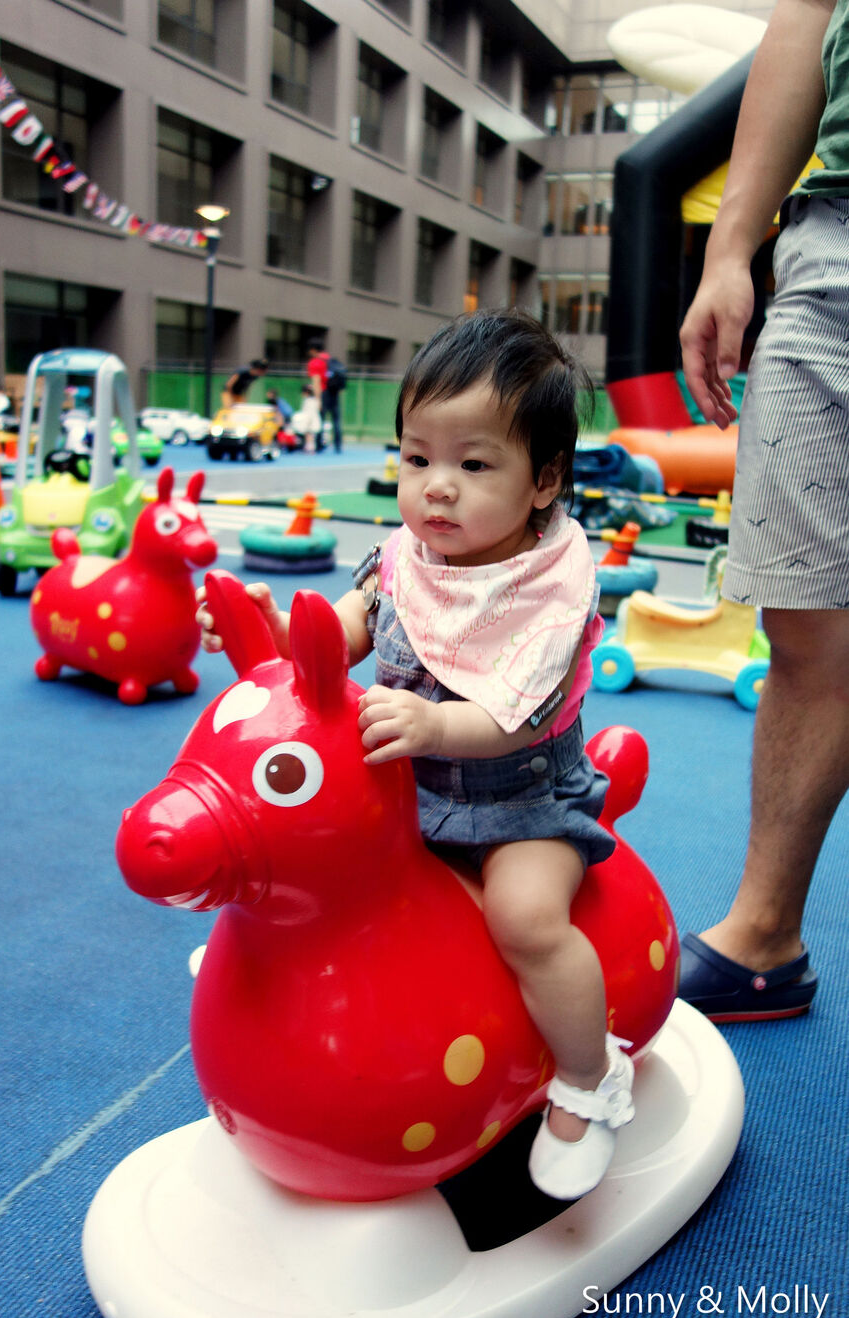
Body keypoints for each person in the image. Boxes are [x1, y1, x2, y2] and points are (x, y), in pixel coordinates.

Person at [199, 308, 635, 1200]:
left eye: (474, 465)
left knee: (524, 919)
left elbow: (519, 716)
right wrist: (283, 633)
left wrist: (436, 729)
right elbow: (353, 625)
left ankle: (588, 1080)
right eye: (416, 458)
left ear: (544, 479)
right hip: (404, 796)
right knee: (321, 870)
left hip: (519, 801)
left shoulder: (550, 590)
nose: (436, 488)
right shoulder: (404, 556)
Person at [677, 0, 848, 1022]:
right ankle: (764, 941)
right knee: (805, 617)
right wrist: (729, 248)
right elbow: (807, 17)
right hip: (831, 243)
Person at [306, 338, 344, 452]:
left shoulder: (315, 362)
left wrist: (318, 399)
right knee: (336, 419)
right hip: (334, 393)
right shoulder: (330, 359)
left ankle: (319, 445)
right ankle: (338, 445)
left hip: (324, 392)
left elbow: (316, 381)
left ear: (313, 350)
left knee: (320, 420)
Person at [289, 384, 322, 453]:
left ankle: (310, 447)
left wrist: (307, 422)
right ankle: (310, 447)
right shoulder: (313, 400)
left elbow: (309, 413)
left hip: (310, 421)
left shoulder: (309, 401)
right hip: (311, 420)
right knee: (310, 435)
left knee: (309, 435)